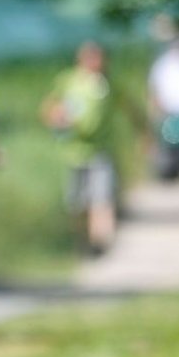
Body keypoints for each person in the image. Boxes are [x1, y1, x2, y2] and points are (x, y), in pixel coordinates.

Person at [40, 41, 118, 255]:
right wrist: (57, 119)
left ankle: (100, 244)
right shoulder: (68, 79)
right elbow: (50, 105)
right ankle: (83, 245)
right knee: (77, 205)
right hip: (74, 152)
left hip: (99, 150)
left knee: (101, 200)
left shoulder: (106, 83)